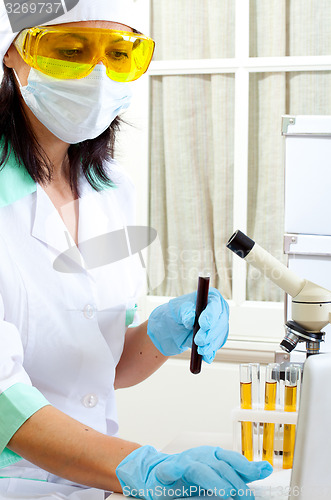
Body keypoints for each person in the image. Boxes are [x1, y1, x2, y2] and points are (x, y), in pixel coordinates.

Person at [0, 0, 272, 498]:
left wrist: (165, 332)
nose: (98, 75)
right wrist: (137, 465)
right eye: (70, 50)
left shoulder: (111, 190)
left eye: (120, 53)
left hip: (93, 482)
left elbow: (101, 365)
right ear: (13, 55)